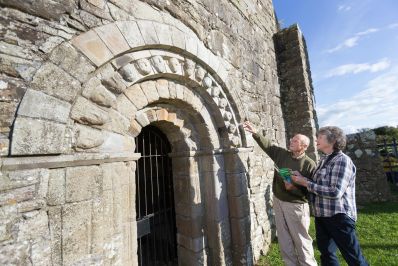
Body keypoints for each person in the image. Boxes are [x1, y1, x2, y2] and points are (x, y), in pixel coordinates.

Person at [291, 126, 369, 266]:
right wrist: (303, 178)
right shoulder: (324, 160)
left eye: (320, 137)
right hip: (322, 215)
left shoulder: (342, 160)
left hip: (339, 217)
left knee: (353, 257)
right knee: (327, 253)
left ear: (332, 140)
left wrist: (305, 183)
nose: (316, 139)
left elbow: (335, 192)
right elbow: (318, 184)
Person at [243, 121, 317, 266]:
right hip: (278, 201)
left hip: (296, 206)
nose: (291, 141)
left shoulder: (309, 164)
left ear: (303, 146)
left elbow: (312, 191)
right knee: (284, 239)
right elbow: (269, 146)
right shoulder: (283, 155)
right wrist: (255, 132)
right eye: (292, 139)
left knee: (301, 241)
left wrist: (293, 188)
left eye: (295, 140)